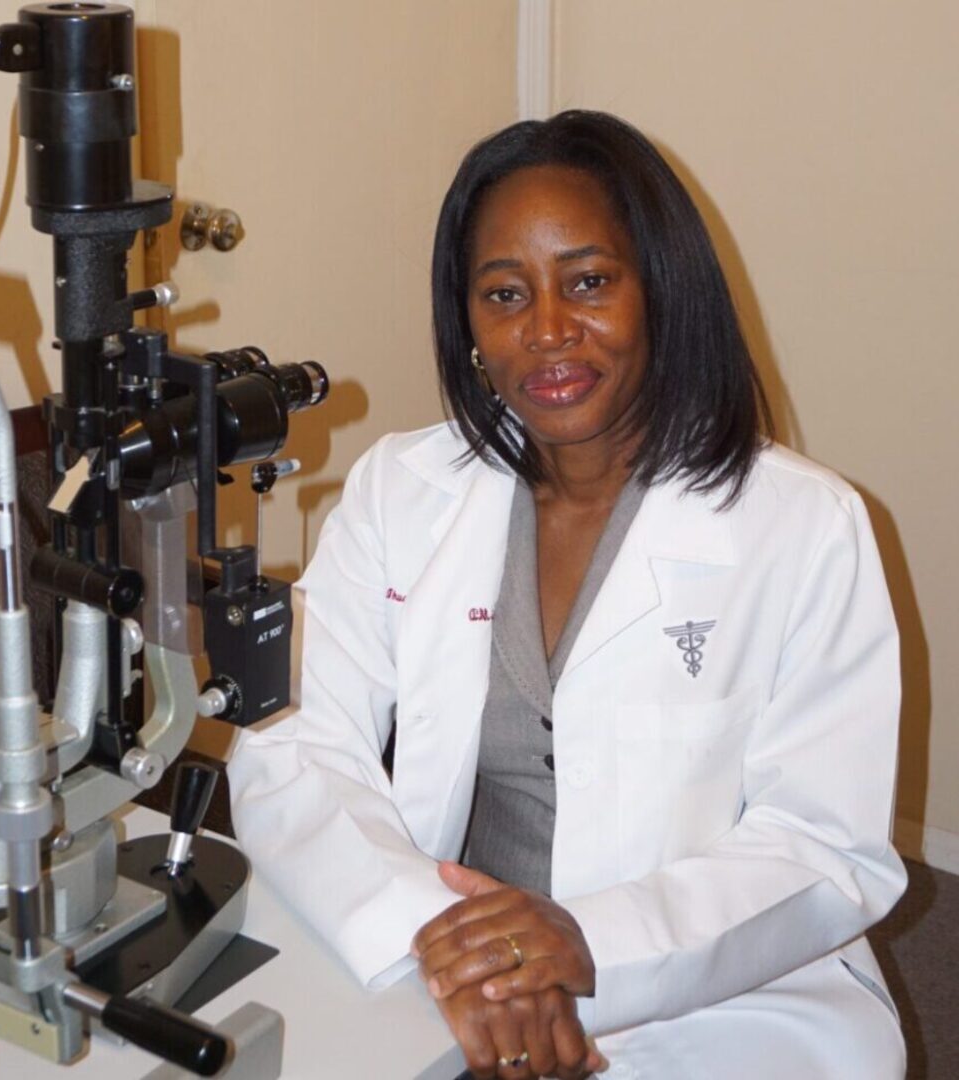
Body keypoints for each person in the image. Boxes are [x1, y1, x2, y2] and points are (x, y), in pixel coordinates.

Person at [228, 111, 907, 1079]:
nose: (547, 331)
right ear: (467, 324)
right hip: (445, 958)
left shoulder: (805, 525)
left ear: (661, 291)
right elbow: (297, 739)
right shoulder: (401, 491)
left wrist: (584, 945)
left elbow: (821, 847)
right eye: (504, 293)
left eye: (589, 282)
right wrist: (452, 943)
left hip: (720, 994)